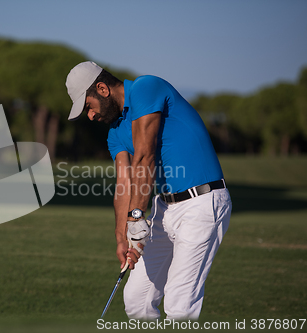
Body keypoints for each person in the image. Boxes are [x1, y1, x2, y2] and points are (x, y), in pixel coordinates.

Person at [65, 61, 232, 320]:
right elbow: (124, 184)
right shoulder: (115, 133)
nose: (90, 116)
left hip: (201, 203)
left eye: (88, 106)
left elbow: (145, 157)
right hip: (164, 209)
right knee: (136, 302)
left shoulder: (146, 87)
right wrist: (122, 235)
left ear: (102, 88)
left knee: (179, 308)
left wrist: (136, 217)